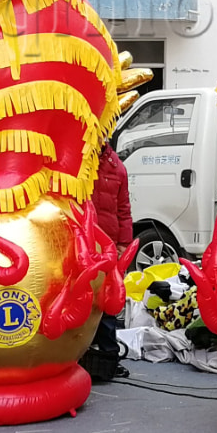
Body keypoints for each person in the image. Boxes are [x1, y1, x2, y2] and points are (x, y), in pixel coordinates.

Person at [85, 139, 133, 380]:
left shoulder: (117, 167)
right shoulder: (78, 161)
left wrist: (124, 243)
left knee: (107, 301)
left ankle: (108, 356)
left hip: (108, 245)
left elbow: (123, 209)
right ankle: (77, 353)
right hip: (82, 243)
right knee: (83, 299)